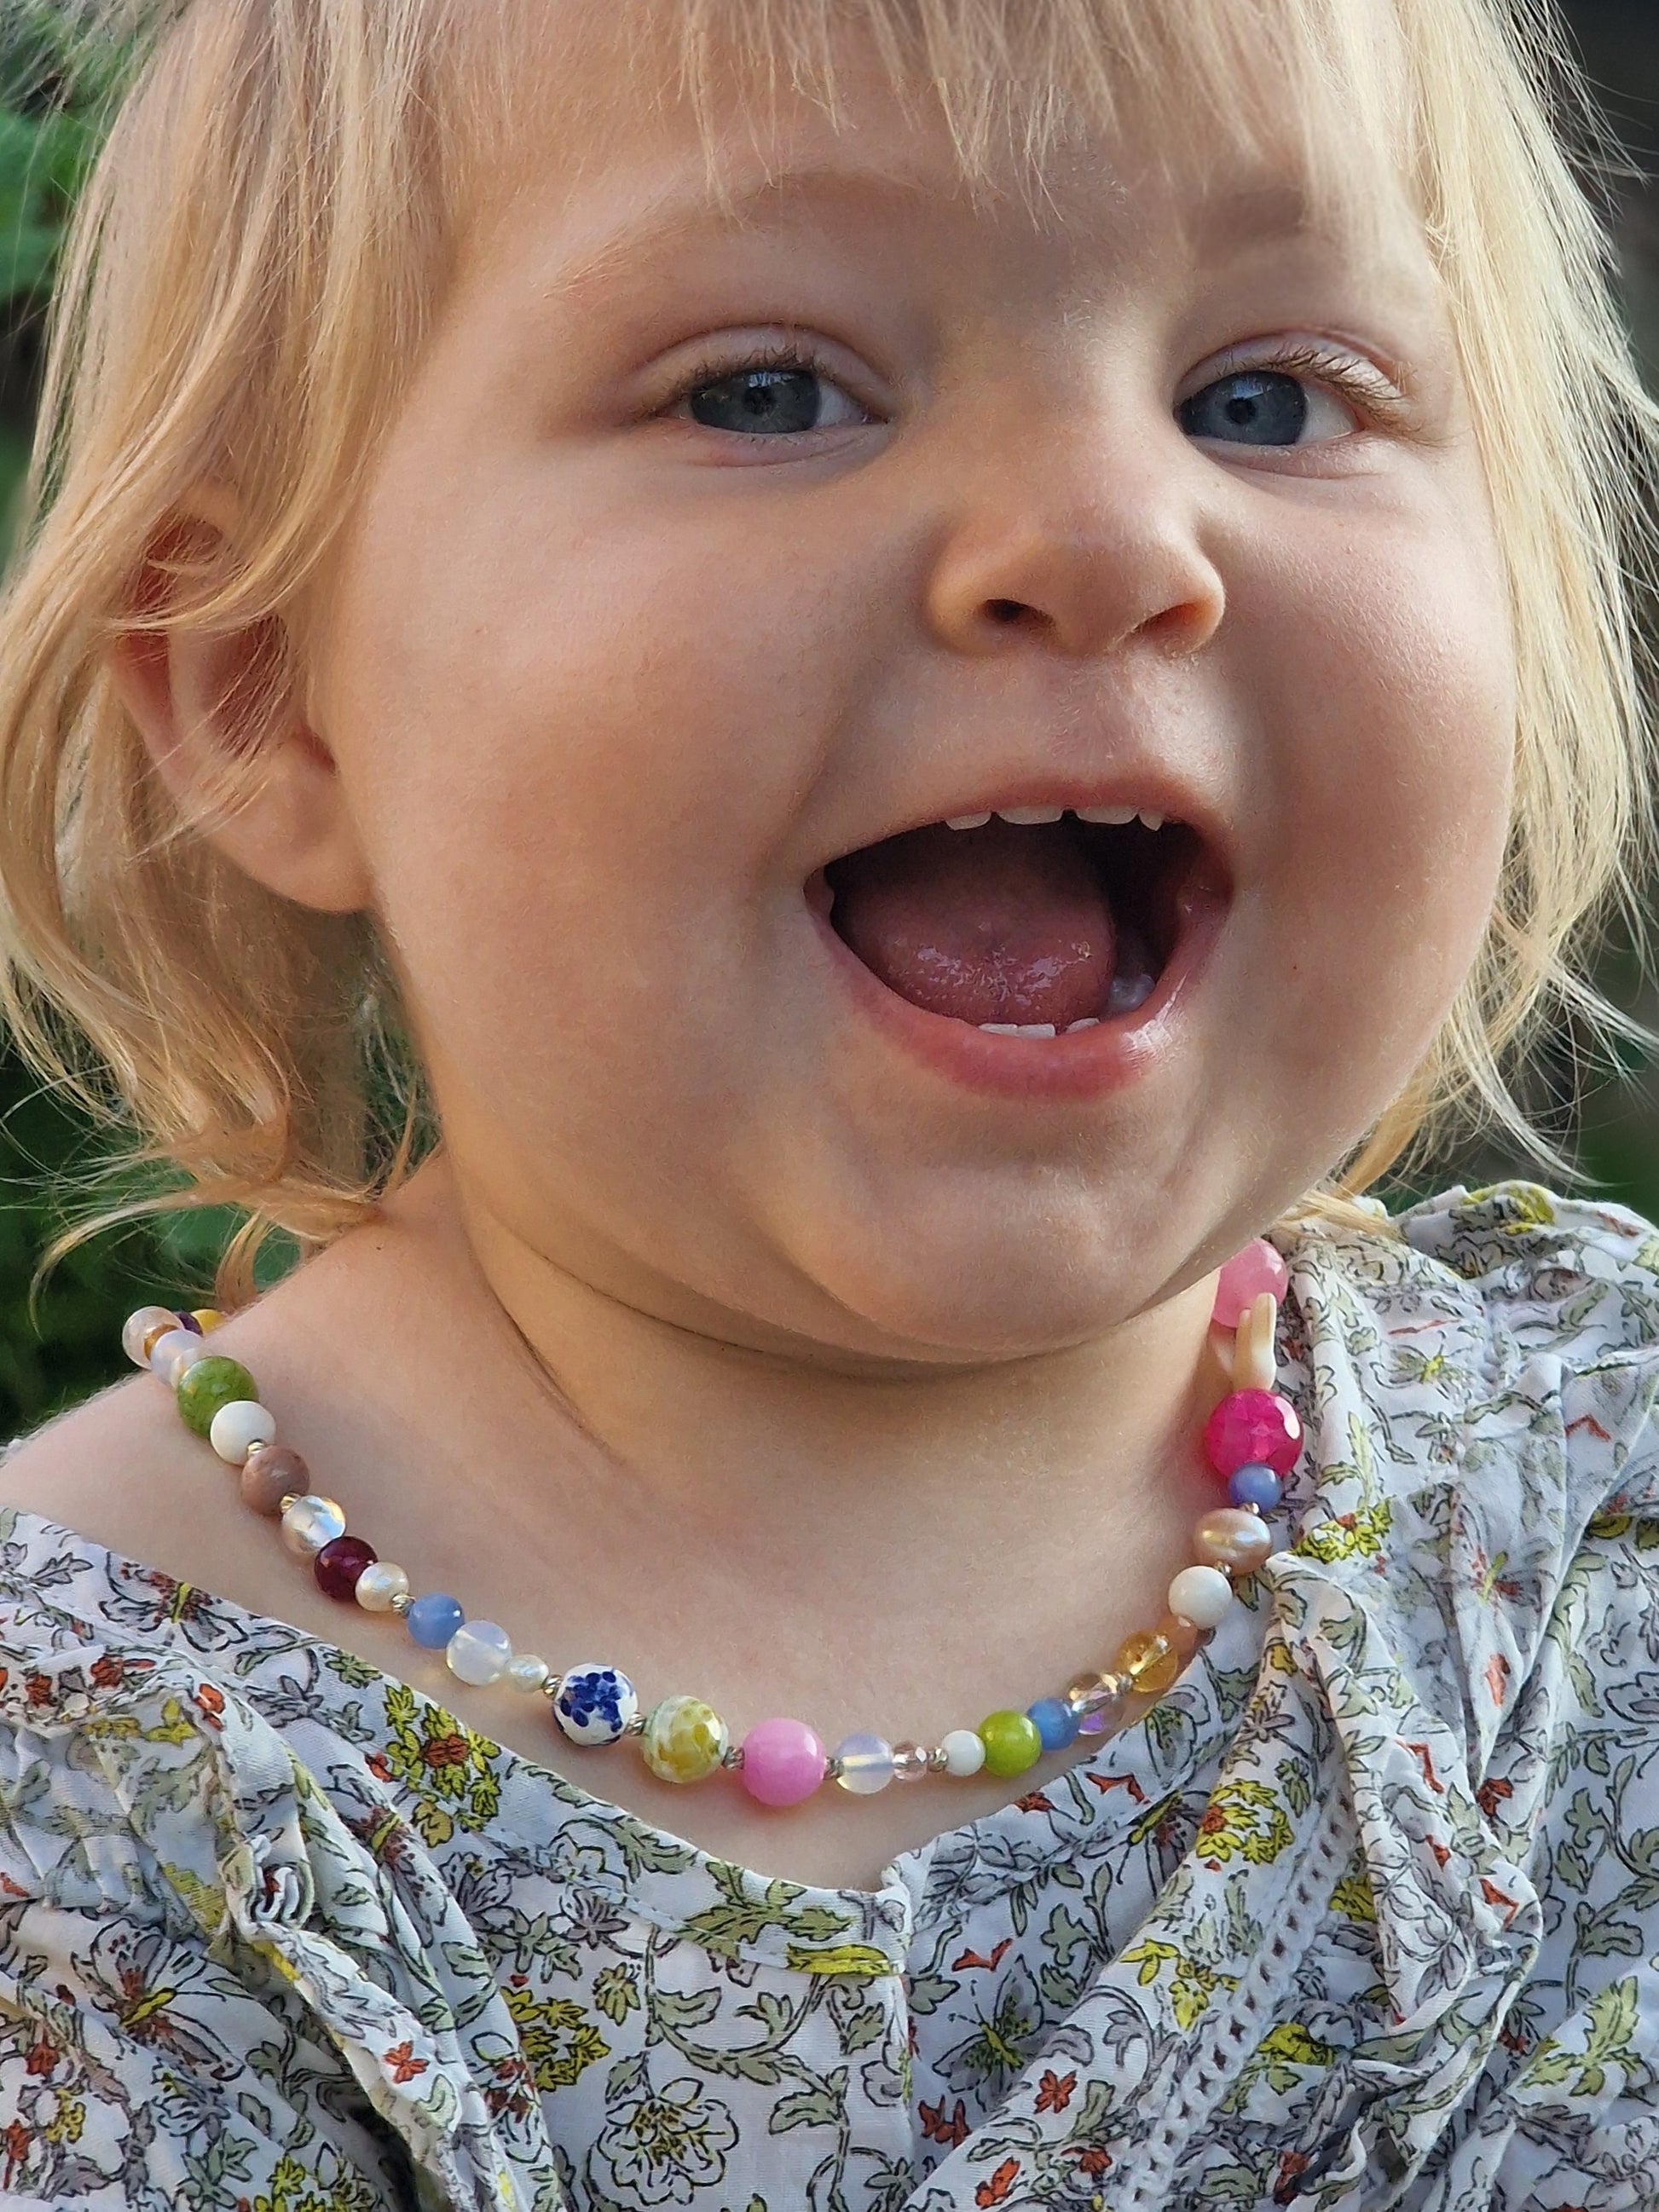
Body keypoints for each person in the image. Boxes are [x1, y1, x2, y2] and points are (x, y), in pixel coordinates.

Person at [0, 0, 1656, 2204]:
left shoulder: (1593, 1504)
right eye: (770, 390)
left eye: (1261, 397)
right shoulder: (92, 1793)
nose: (1099, 534)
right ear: (269, 700)